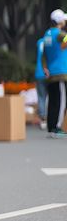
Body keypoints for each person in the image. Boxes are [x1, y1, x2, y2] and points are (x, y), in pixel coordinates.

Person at [42, 9, 67, 138]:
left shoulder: (47, 34)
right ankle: (57, 128)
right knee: (61, 101)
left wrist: (45, 67)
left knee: (52, 101)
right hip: (60, 73)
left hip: (50, 73)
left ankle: (51, 127)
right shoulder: (59, 34)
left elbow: (44, 54)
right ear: (59, 21)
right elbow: (65, 39)